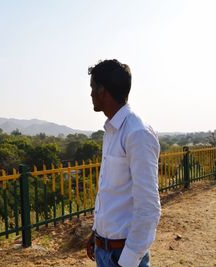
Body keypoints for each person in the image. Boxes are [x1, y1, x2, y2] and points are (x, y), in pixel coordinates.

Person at [85, 59, 161, 267]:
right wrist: (97, 233)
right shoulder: (112, 130)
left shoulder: (137, 133)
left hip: (122, 256)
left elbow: (148, 206)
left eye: (92, 88)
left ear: (102, 91)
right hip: (105, 250)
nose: (90, 94)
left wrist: (127, 261)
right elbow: (112, 192)